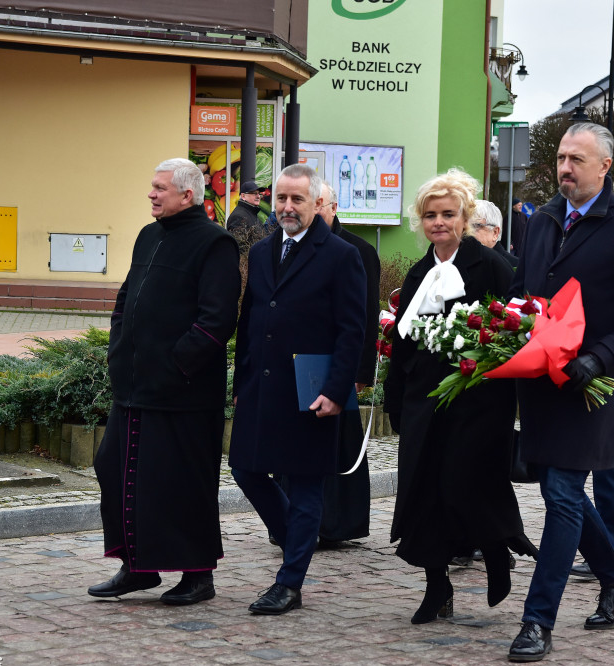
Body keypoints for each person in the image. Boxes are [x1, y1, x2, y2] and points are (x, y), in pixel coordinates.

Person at [507, 123, 614, 662]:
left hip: (591, 387)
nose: (565, 167)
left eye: (577, 158)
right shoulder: (543, 219)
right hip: (542, 384)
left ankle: (537, 620)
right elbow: (525, 294)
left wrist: (599, 357)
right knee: (565, 493)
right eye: (560, 157)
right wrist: (499, 326)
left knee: (560, 496)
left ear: (604, 167)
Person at [383, 169, 536, 625]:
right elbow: (402, 345)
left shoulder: (490, 266)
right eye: (430, 215)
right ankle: (436, 588)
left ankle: (494, 552)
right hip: (424, 402)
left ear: (465, 217)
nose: (439, 222)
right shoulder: (418, 272)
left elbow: (509, 334)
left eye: (448, 214)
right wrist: (397, 399)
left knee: (467, 484)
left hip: (477, 401)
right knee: (424, 492)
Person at [89, 158, 240, 604]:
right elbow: (126, 298)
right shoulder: (148, 235)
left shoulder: (216, 243)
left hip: (185, 394)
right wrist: (119, 347)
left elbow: (217, 320)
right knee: (114, 470)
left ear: (187, 195)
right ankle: (137, 567)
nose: (151, 194)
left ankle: (198, 574)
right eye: (152, 187)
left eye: (159, 188)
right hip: (135, 388)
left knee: (182, 483)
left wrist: (176, 365)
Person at [230, 163, 366, 615]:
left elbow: (352, 331)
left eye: (297, 200)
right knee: (244, 470)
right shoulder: (265, 249)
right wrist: (240, 379)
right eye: (281, 199)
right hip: (261, 386)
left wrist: (336, 389)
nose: (287, 207)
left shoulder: (341, 255)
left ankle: (289, 582)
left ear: (315, 204)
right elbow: (250, 317)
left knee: (307, 486)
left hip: (311, 390)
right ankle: (298, 544)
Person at [315, 182, 380, 546]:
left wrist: (360, 372)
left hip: (342, 363)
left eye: (319, 203)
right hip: (305, 363)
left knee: (341, 444)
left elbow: (367, 317)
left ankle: (340, 523)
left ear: (334, 207)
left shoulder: (359, 250)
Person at [472, 199, 518, 266]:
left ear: (495, 233)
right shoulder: (457, 263)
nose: (467, 233)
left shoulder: (515, 267)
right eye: (464, 227)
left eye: (475, 226)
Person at [227, 180, 266, 254]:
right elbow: (239, 249)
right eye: (254, 193)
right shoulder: (238, 217)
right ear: (243, 196)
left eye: (259, 193)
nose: (258, 196)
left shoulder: (252, 213)